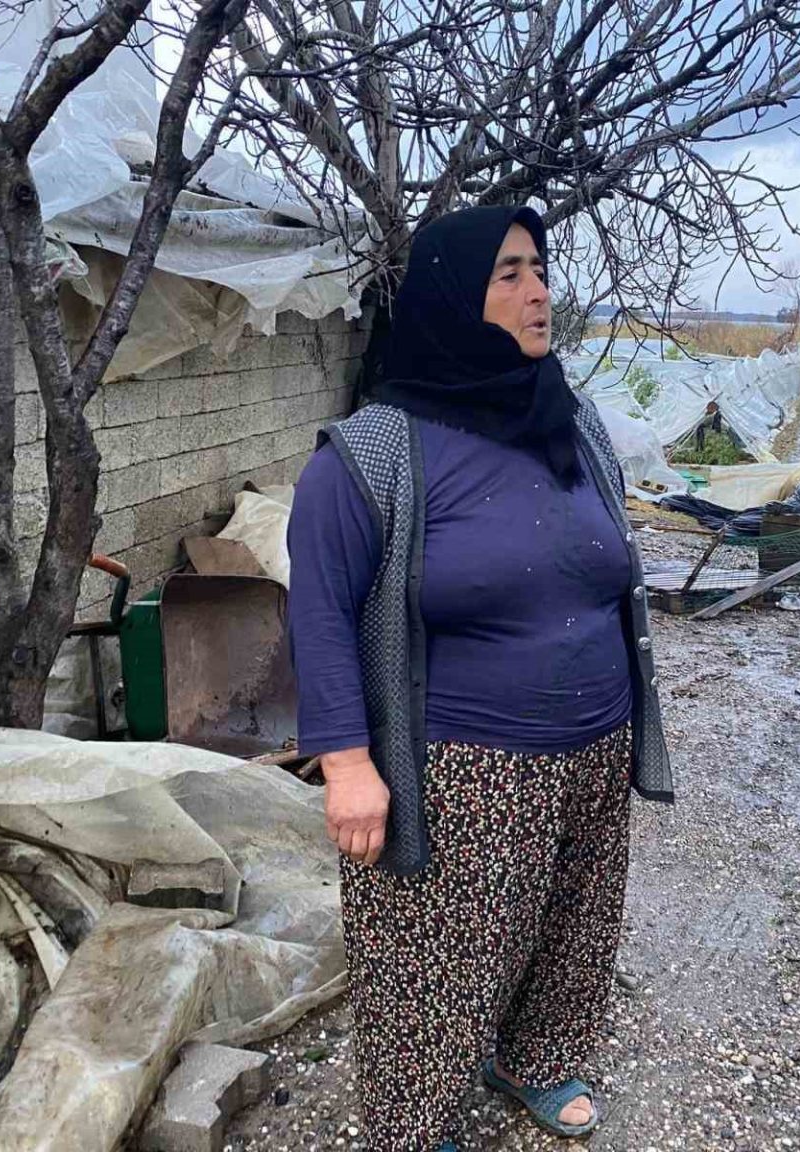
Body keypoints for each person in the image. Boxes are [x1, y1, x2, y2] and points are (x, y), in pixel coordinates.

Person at [286, 204, 673, 1152]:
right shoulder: (374, 454)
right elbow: (320, 613)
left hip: (594, 741)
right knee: (434, 958)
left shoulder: (569, 422)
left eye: (539, 268)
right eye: (508, 273)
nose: (538, 291)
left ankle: (535, 1057)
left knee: (574, 925)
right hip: (463, 764)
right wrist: (347, 764)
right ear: (454, 296)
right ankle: (414, 1124)